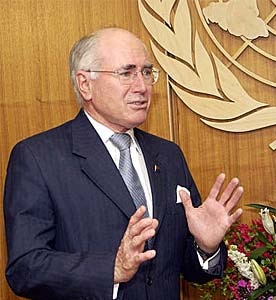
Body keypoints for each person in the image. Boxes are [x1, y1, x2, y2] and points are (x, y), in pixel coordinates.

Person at [3, 27, 243, 300]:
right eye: (126, 73)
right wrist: (111, 269)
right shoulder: (38, 158)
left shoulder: (168, 155)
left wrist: (205, 247)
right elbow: (25, 268)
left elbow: (183, 269)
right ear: (85, 84)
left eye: (146, 72)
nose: (141, 86)